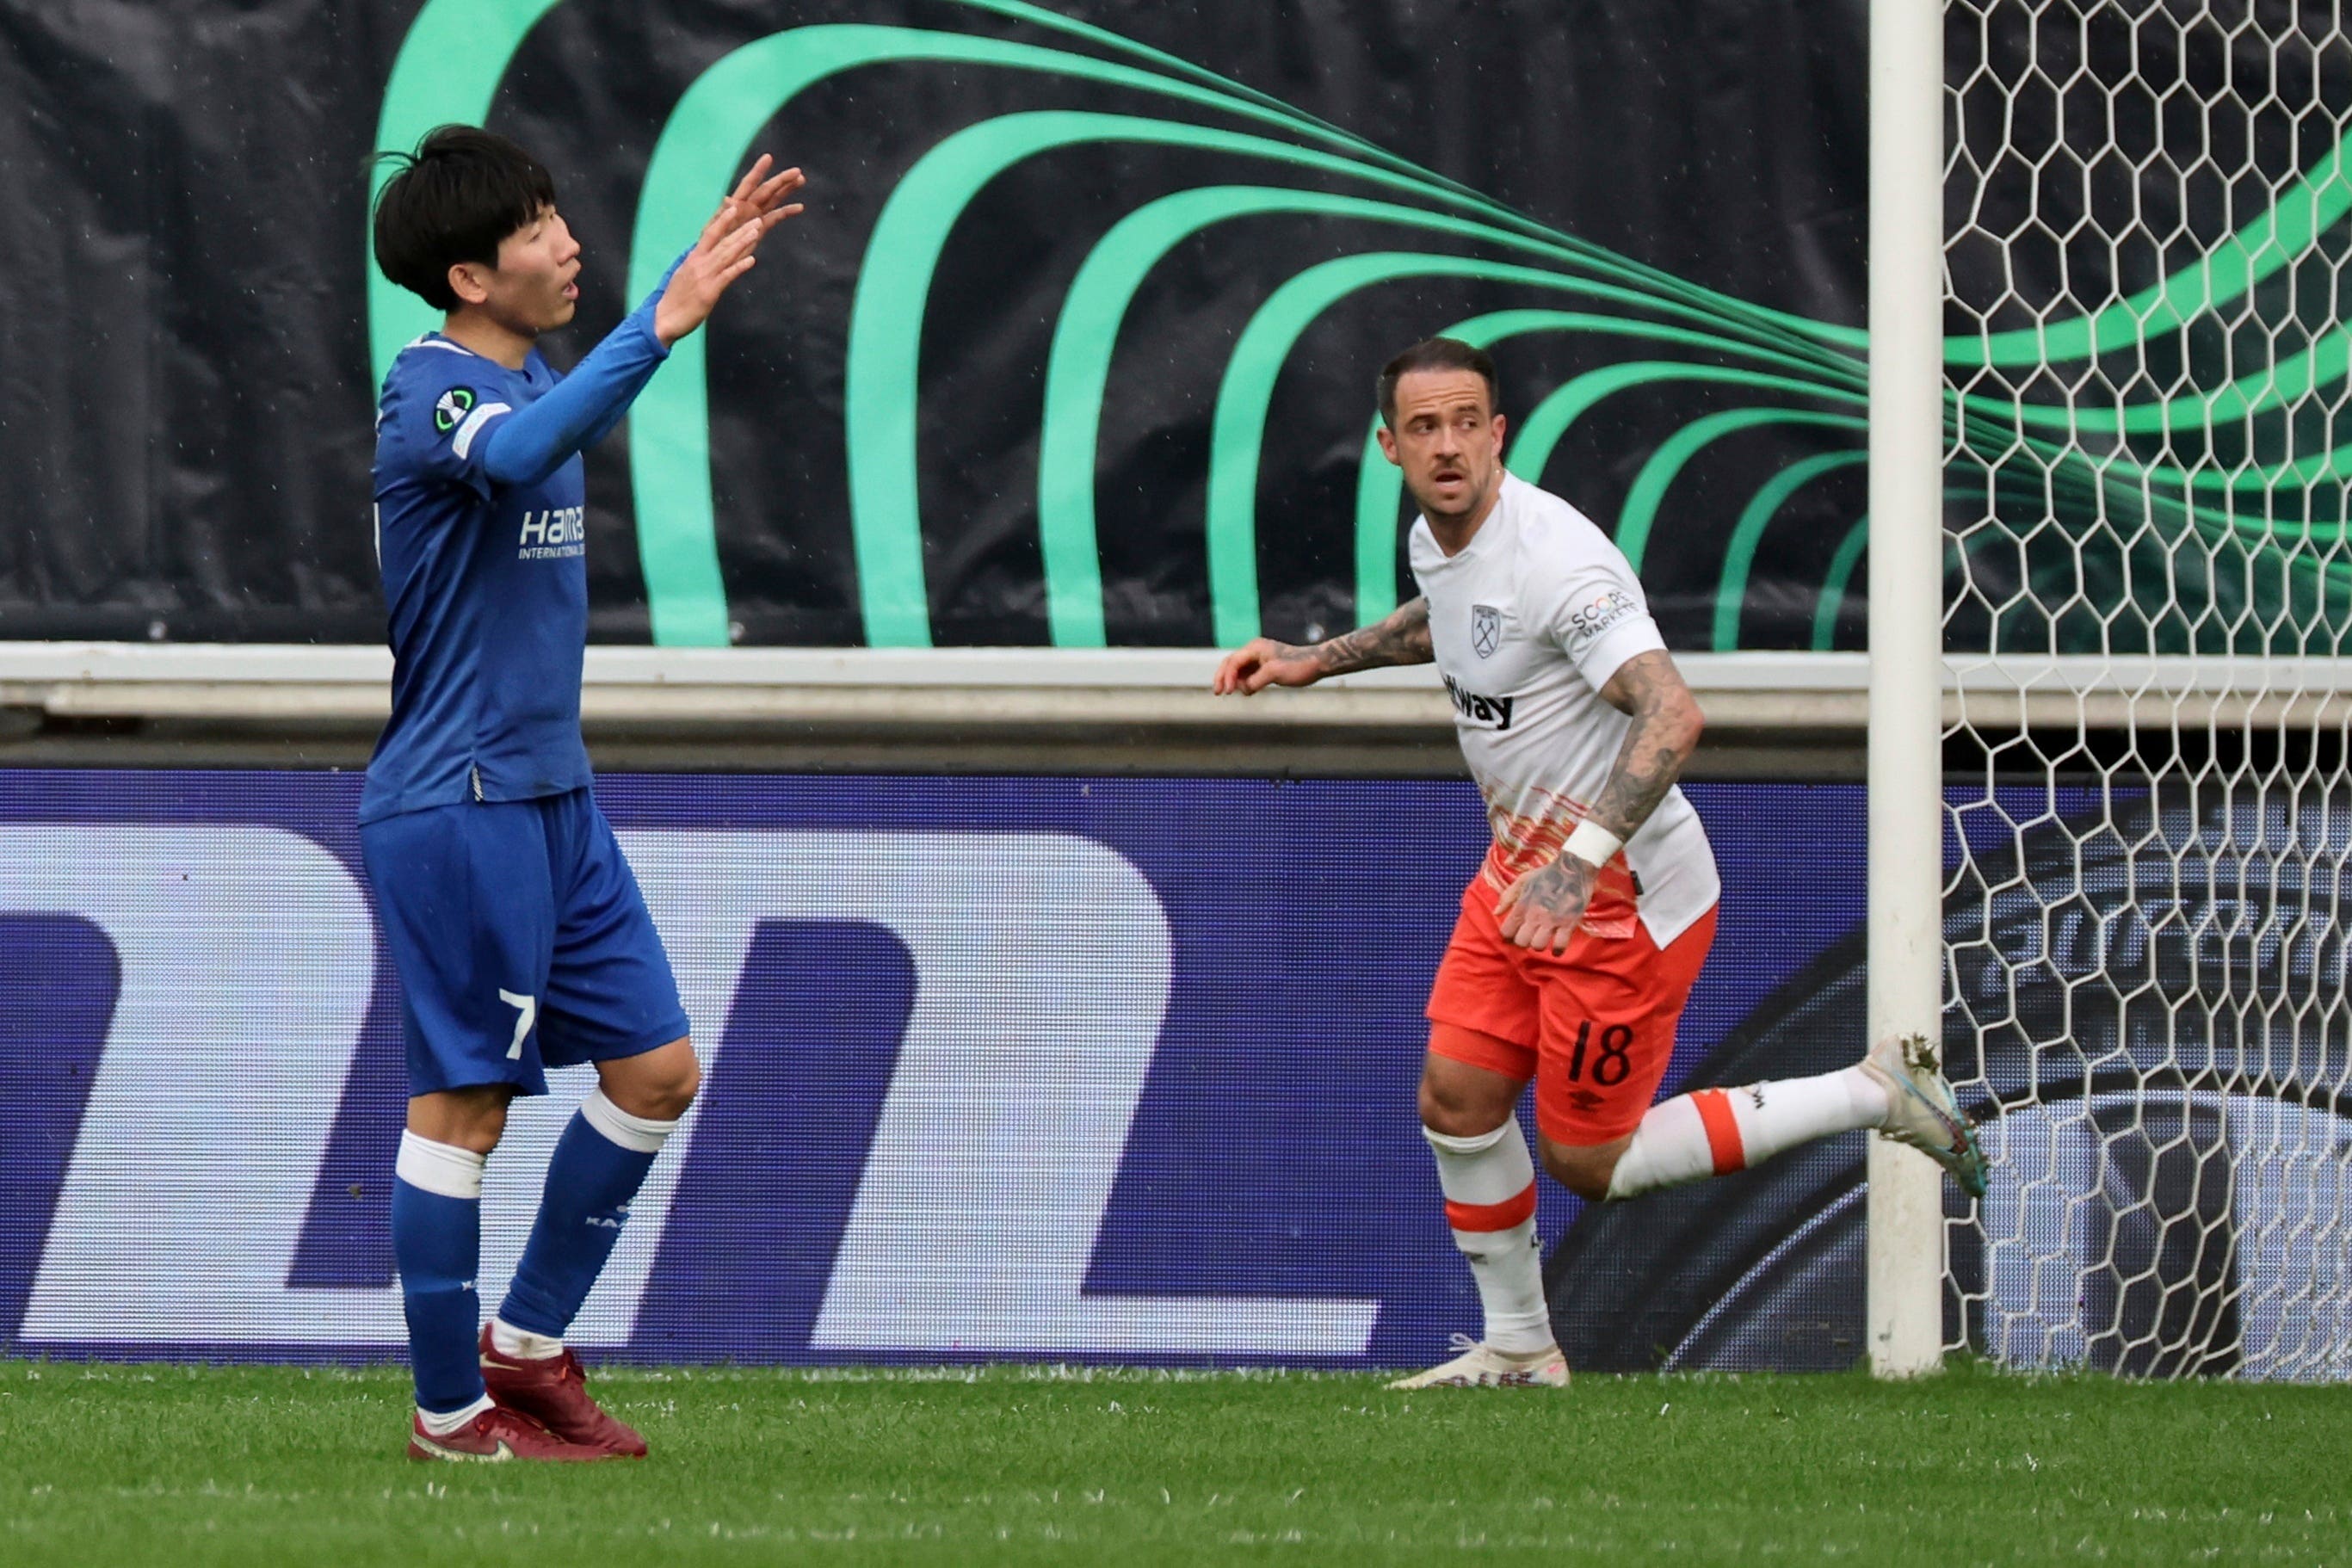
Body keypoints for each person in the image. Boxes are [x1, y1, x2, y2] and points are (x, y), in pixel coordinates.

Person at [1213, 337, 1985, 1388]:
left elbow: (1674, 713)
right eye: (1425, 428)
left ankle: (1878, 1092)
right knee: (1457, 1098)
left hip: (1615, 893)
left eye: (1467, 423)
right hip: (1523, 876)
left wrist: (1579, 861)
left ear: (1499, 434)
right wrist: (1315, 660)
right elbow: (1446, 619)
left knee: (1591, 1164)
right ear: (1390, 446)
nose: (1449, 446)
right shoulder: (1440, 539)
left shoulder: (1558, 558)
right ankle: (1523, 1350)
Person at [364, 125, 803, 1460]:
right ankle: (450, 1419)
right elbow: (505, 455)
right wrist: (659, 324)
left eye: (561, 213)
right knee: (468, 1108)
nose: (568, 242)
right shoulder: (431, 390)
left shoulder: (539, 372)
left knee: (659, 1071)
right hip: (459, 801)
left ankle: (529, 1347)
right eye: (538, 228)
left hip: (554, 798)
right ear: (467, 276)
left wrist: (644, 331)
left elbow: (549, 423)